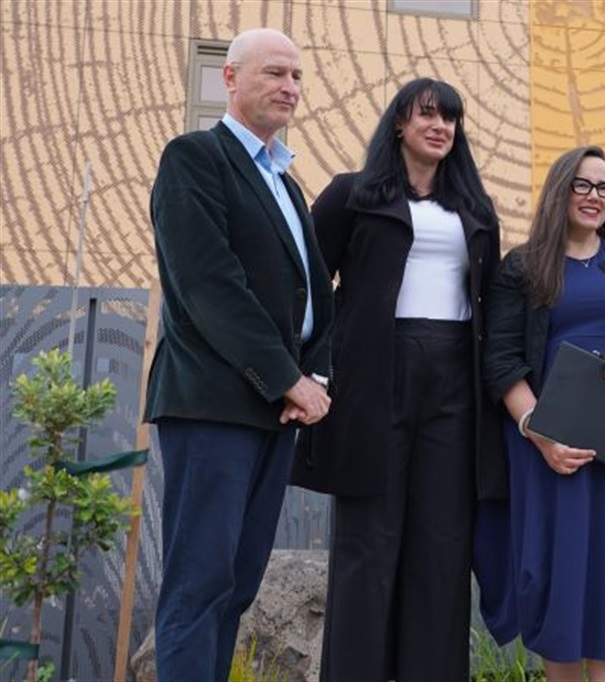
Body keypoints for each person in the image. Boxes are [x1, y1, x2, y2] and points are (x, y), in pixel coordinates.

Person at [289, 78, 502, 681]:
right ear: (399, 125)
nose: (441, 127)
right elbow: (303, 287)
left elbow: (489, 303)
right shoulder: (351, 195)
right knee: (368, 547)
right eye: (427, 115)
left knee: (441, 548)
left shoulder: (475, 210)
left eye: (450, 119)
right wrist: (308, 371)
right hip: (374, 380)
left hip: (455, 381)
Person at [145, 28, 333, 682]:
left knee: (238, 584)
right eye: (275, 73)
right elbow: (208, 285)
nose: (290, 87)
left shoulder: (288, 183)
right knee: (199, 583)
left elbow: (316, 292)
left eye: (298, 76)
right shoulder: (194, 158)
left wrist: (316, 374)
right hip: (214, 405)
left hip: (276, 411)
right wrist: (287, 378)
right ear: (229, 78)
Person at [476, 145, 605, 682]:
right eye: (584, 185)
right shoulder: (522, 267)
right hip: (550, 452)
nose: (595, 198)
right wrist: (539, 434)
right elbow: (500, 361)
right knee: (560, 580)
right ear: (560, 189)